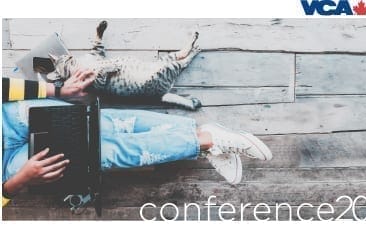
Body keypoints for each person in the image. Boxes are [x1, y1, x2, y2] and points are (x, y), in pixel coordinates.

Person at [2, 70, 272, 207]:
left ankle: (205, 139)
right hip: (9, 168)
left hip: (7, 116)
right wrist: (15, 183)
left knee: (100, 124)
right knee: (102, 154)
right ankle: (204, 139)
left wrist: (58, 92)